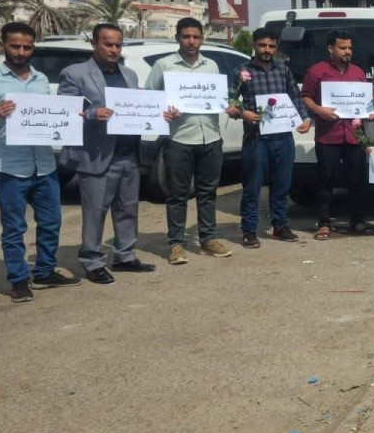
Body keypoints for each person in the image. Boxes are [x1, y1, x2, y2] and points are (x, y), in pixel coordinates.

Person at [0, 22, 80, 301]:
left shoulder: (40, 80)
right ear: (3, 46)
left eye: (26, 46)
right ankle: (19, 280)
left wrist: (71, 118)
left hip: (45, 164)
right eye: (15, 46)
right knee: (14, 228)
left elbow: (49, 118)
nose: (21, 51)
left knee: (51, 222)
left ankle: (45, 270)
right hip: (10, 167)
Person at [57, 22, 155, 283]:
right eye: (108, 44)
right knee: (95, 211)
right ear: (94, 44)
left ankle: (125, 256)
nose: (113, 49)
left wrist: (157, 113)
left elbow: (138, 109)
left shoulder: (130, 74)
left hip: (129, 154)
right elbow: (66, 110)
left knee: (128, 209)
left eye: (117, 44)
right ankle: (92, 260)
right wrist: (91, 113)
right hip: (97, 155)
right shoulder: (75, 74)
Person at [146, 17, 235, 264]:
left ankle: (208, 239)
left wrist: (227, 106)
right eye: (186, 36)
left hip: (211, 138)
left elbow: (218, 97)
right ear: (177, 38)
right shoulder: (163, 65)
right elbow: (149, 102)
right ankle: (176, 244)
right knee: (177, 194)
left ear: (202, 39)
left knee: (208, 193)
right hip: (179, 139)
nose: (191, 41)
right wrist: (164, 112)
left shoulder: (212, 66)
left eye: (196, 37)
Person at [231, 27, 311, 248]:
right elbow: (230, 101)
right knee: (252, 186)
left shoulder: (283, 70)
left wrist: (305, 118)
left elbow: (295, 96)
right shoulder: (241, 71)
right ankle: (248, 230)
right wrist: (241, 112)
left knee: (282, 186)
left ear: (276, 48)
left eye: (272, 46)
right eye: (262, 45)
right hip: (256, 139)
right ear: (254, 46)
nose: (267, 50)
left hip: (283, 137)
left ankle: (280, 226)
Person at [300, 30, 374, 240]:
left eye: (349, 48)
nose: (347, 52)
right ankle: (324, 222)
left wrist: (369, 113)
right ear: (330, 49)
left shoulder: (358, 72)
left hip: (354, 136)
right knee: (326, 181)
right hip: (328, 136)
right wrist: (318, 110)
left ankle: (357, 220)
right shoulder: (317, 71)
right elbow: (305, 96)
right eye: (342, 48)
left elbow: (364, 102)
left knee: (357, 180)